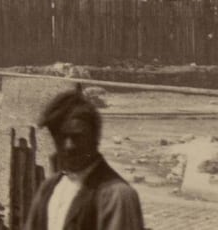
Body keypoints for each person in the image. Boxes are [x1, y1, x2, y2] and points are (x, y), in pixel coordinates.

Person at [22, 88, 144, 230]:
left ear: (95, 137)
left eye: (77, 137)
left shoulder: (117, 195)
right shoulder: (49, 188)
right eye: (61, 137)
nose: (69, 146)